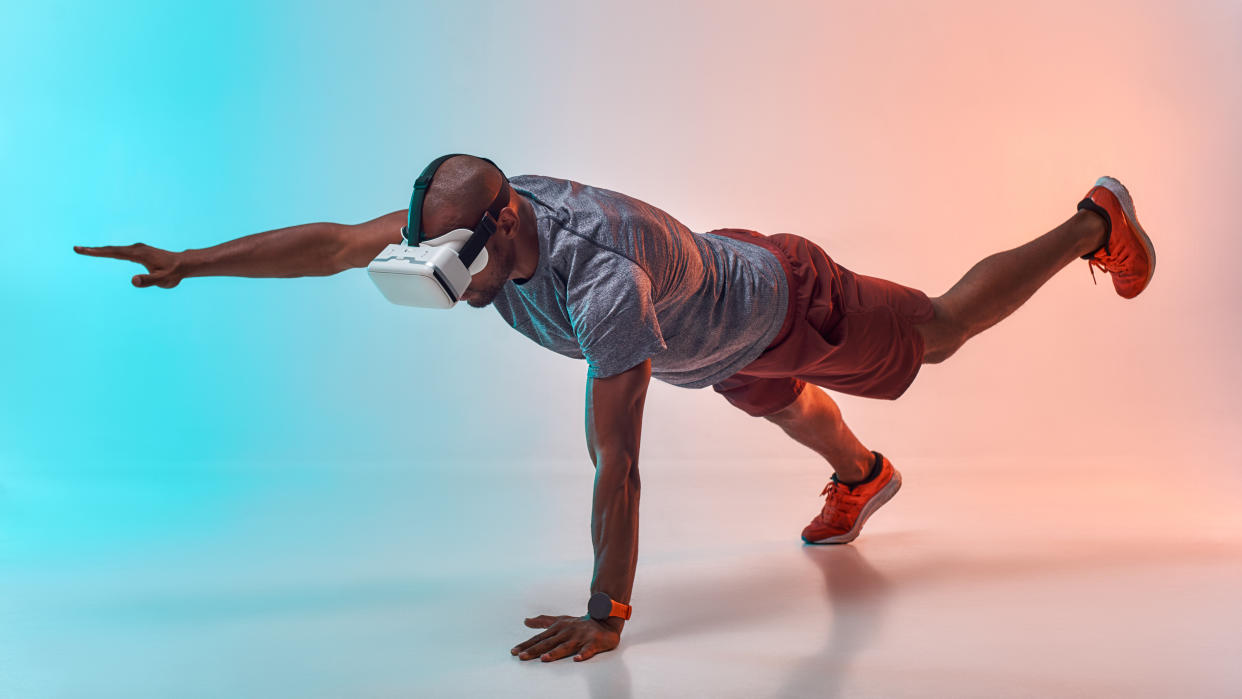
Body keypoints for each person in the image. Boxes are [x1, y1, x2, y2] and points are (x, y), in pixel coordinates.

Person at [73, 154, 1156, 663]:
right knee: (785, 412)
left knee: (937, 331)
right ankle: (866, 478)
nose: (437, 275)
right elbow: (334, 246)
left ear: (504, 227)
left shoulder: (602, 283)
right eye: (427, 249)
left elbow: (617, 464)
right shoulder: (467, 228)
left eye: (455, 258)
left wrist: (610, 610)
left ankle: (1089, 220)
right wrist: (191, 263)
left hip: (783, 298)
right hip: (713, 337)